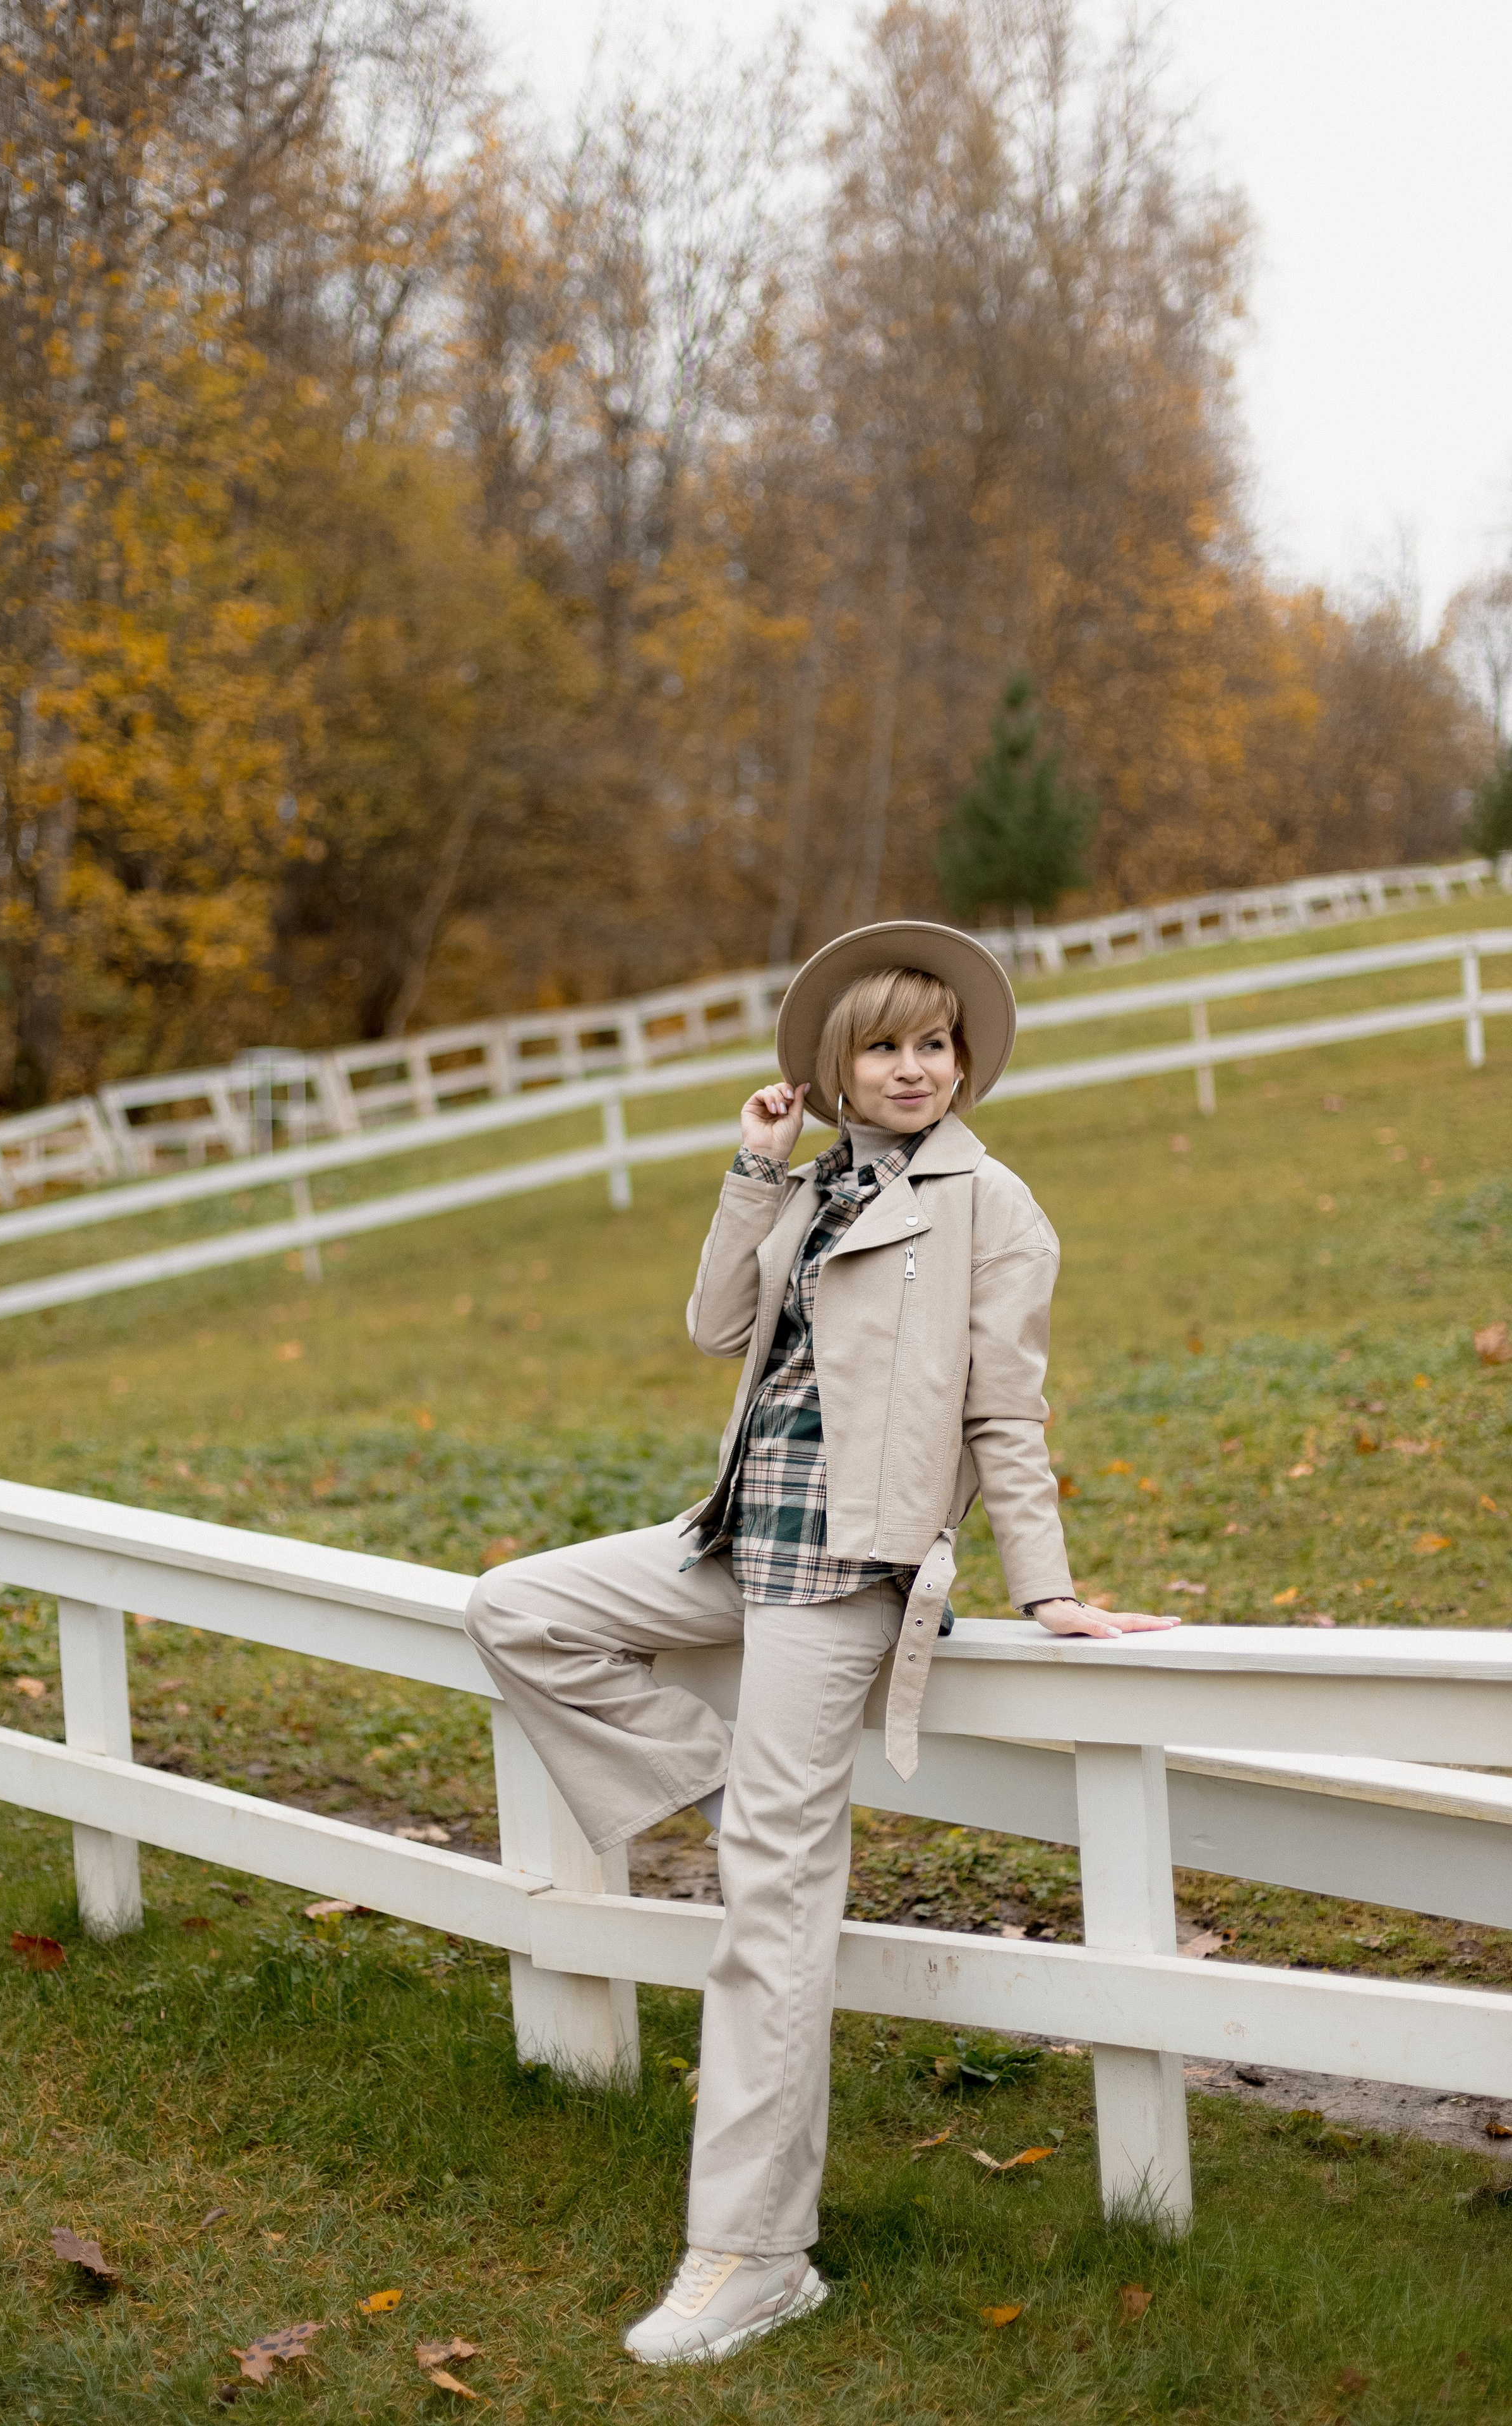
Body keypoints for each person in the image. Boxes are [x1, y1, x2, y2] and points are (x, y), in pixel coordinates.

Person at [465, 918, 1179, 2367]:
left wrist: (1044, 1588)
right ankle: (735, 1793)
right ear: (834, 1066)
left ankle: (752, 2254)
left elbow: (1004, 1417)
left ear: (963, 1061)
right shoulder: (812, 1184)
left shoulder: (998, 1211)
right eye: (883, 1045)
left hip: (844, 1569)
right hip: (732, 1536)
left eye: (935, 1044)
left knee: (765, 1918)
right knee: (517, 1607)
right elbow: (712, 1323)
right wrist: (752, 1171)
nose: (914, 1068)